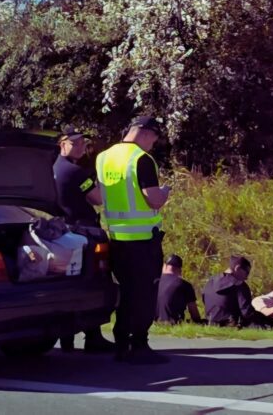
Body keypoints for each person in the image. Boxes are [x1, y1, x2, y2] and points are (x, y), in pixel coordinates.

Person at [96, 115, 172, 363]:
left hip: (117, 239)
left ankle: (121, 342)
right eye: (154, 137)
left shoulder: (103, 157)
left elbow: (98, 195)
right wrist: (165, 193)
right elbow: (154, 200)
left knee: (126, 291)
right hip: (142, 241)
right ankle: (139, 344)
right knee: (144, 293)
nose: (154, 143)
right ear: (144, 132)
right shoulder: (141, 159)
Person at [52, 125, 116, 353]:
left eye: (82, 142)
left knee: (69, 283)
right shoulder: (75, 172)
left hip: (64, 232)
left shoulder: (54, 168)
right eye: (75, 142)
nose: (80, 147)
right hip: (84, 232)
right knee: (93, 281)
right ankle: (93, 336)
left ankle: (67, 338)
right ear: (63, 144)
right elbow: (98, 198)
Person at [202, 255, 273, 328]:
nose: (246, 277)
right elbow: (247, 313)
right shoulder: (239, 284)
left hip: (211, 323)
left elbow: (204, 301)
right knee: (266, 325)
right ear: (237, 268)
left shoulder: (210, 281)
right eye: (247, 272)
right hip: (232, 324)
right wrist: (272, 322)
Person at [156, 254, 201, 324]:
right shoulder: (185, 285)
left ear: (164, 266)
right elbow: (194, 313)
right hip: (173, 324)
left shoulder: (153, 282)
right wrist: (199, 322)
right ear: (180, 270)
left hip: (153, 324)